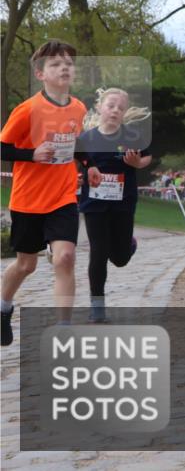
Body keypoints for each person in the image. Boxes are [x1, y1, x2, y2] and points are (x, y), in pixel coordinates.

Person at [1, 40, 87, 346]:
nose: (64, 67)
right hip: (27, 199)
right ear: (40, 74)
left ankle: (64, 330)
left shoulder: (79, 108)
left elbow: (78, 146)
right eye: (55, 64)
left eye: (68, 63)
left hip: (63, 196)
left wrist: (87, 164)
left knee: (64, 257)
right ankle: (3, 307)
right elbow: (3, 147)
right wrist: (31, 154)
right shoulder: (27, 110)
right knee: (27, 264)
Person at [77, 88, 152, 323]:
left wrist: (137, 162)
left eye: (120, 107)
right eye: (111, 105)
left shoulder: (132, 136)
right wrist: (83, 173)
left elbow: (147, 157)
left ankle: (128, 244)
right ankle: (97, 306)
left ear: (125, 112)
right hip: (94, 204)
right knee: (98, 253)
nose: (115, 111)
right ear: (100, 107)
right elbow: (77, 160)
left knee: (119, 259)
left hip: (123, 203)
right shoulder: (86, 139)